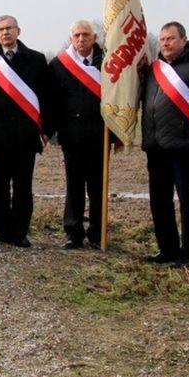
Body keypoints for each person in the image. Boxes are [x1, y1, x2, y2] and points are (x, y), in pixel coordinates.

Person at [141, 22, 189, 267]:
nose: (165, 43)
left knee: (186, 200)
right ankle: (167, 249)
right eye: (163, 39)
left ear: (183, 40)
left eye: (171, 39)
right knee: (159, 200)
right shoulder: (154, 69)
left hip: (184, 146)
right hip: (156, 147)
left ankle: (188, 253)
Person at [0, 14, 53, 247]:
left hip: (26, 137)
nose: (5, 32)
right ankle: (3, 230)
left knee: (23, 187)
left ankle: (19, 232)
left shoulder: (36, 60)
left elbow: (47, 97)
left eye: (9, 28)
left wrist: (46, 130)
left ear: (18, 31)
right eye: (1, 29)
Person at [49, 20, 109, 249]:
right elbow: (52, 101)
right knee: (74, 186)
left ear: (94, 37)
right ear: (71, 38)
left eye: (85, 35)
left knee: (97, 186)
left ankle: (97, 233)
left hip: (99, 135)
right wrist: (51, 131)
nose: (81, 39)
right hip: (72, 136)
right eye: (76, 35)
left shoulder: (109, 62)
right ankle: (73, 232)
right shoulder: (59, 65)